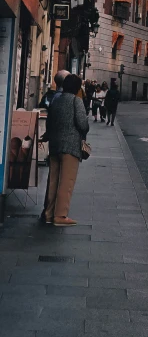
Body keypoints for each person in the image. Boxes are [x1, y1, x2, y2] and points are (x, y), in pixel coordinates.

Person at [42, 73, 89, 226]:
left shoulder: (56, 100)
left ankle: (49, 214)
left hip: (55, 145)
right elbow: (82, 124)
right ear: (77, 88)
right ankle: (60, 216)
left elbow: (49, 122)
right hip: (70, 146)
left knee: (53, 180)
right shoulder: (77, 101)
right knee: (66, 181)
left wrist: (49, 136)